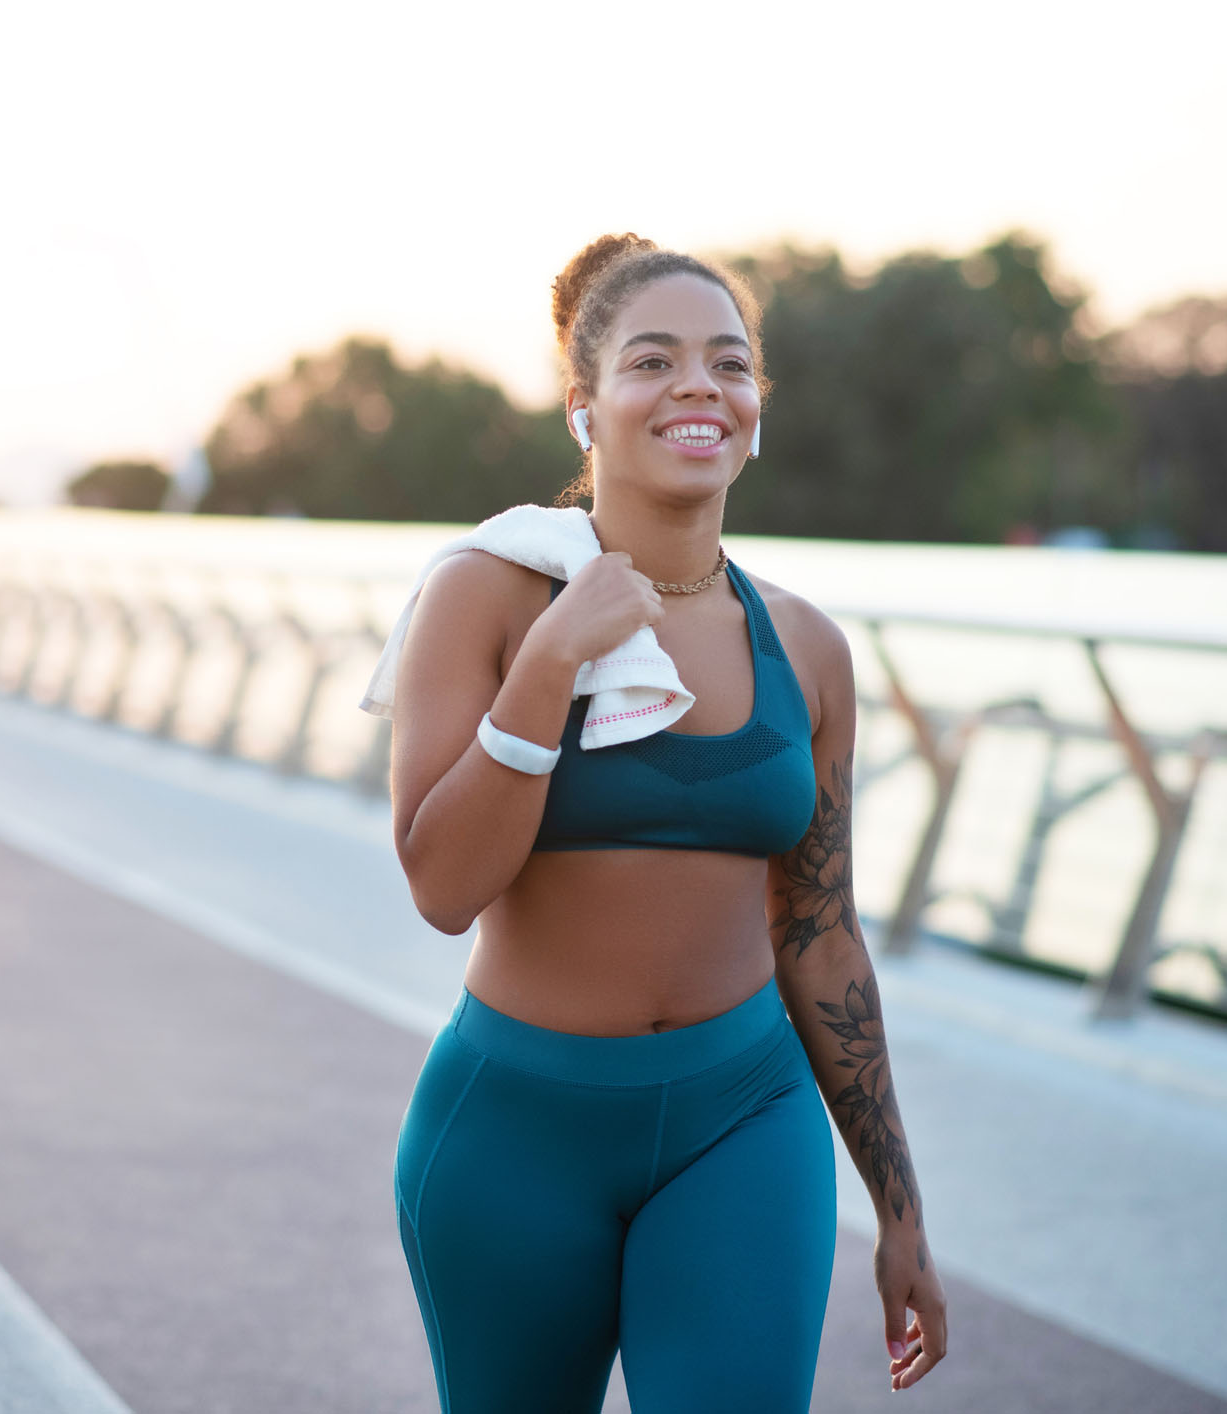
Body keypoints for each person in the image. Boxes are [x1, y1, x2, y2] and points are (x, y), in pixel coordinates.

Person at [378, 233, 947, 1413]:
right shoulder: (485, 593)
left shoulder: (808, 647)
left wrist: (899, 1209)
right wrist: (549, 661)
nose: (698, 385)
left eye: (728, 364)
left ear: (754, 410)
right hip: (514, 1132)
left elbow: (822, 935)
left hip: (744, 1114)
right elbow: (439, 887)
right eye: (653, 360)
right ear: (584, 408)